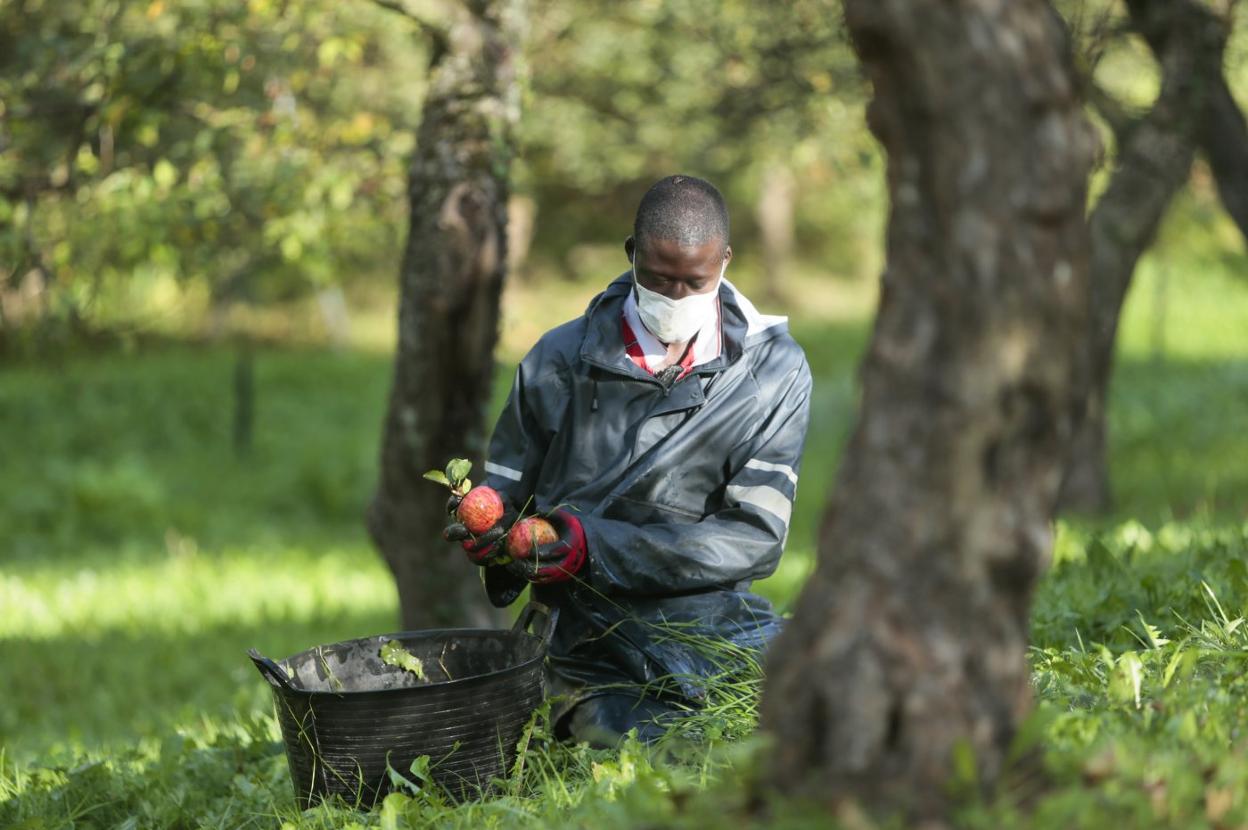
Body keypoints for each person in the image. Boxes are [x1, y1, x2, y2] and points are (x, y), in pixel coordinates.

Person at [444, 174, 812, 746]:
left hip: (712, 624)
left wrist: (594, 546)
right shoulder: (558, 361)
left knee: (823, 710)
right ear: (631, 254)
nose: (678, 299)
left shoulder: (771, 371)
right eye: (661, 279)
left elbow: (755, 537)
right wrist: (494, 543)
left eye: (696, 281)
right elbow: (507, 506)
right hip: (585, 642)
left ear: (726, 262)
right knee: (657, 746)